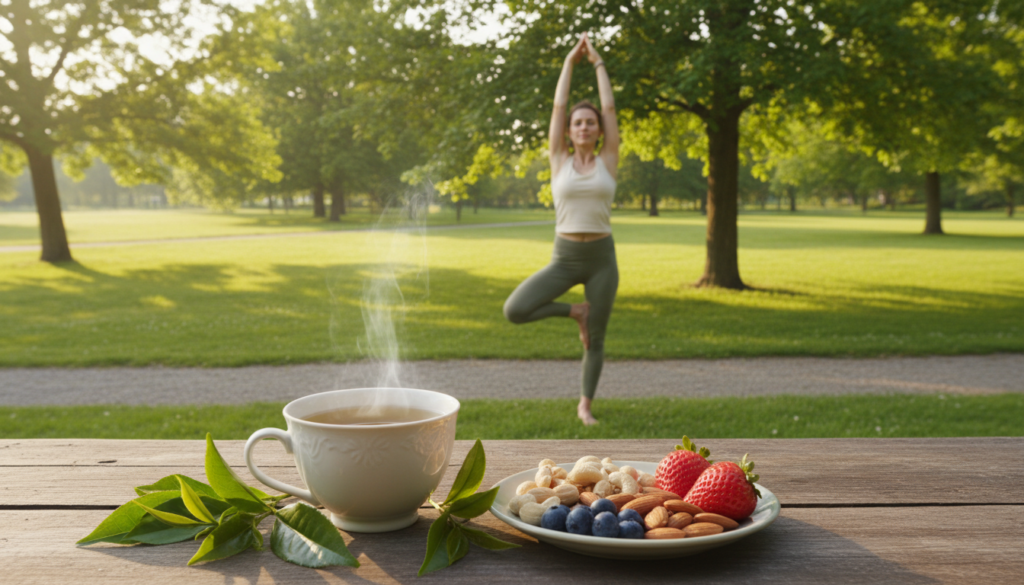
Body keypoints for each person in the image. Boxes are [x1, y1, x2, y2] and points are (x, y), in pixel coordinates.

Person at [503, 33, 619, 426]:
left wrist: (599, 63)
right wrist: (569, 63)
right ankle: (575, 312)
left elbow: (608, 104)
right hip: (565, 257)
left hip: (602, 258)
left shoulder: (609, 158)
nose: (584, 126)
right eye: (577, 123)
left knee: (598, 339)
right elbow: (558, 105)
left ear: (599, 130)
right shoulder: (558, 159)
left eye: (590, 123)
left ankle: (584, 406)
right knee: (515, 309)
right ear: (568, 131)